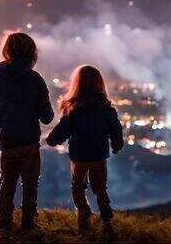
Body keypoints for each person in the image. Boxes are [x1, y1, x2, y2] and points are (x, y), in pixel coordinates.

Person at [0, 32, 54, 232]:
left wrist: (1, 117)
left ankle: (5, 223)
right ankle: (28, 223)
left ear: (7, 51)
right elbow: (47, 116)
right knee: (30, 184)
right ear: (32, 53)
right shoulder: (35, 80)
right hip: (29, 140)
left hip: (7, 139)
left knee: (6, 182)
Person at [46, 65, 124, 236]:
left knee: (78, 188)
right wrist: (117, 145)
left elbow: (62, 131)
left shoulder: (73, 109)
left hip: (79, 156)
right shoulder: (106, 108)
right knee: (100, 188)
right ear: (99, 83)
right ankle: (107, 219)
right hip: (99, 155)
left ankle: (84, 217)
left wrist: (51, 140)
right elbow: (116, 130)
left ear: (77, 84)